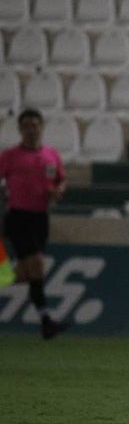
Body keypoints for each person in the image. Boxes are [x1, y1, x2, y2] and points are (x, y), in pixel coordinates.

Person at [0, 109, 66, 338]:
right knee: (37, 265)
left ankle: (47, 323)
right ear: (20, 129)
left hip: (40, 218)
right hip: (18, 217)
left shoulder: (51, 154)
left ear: (41, 127)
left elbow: (60, 180)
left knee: (26, 274)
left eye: (35, 125)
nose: (31, 130)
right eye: (26, 126)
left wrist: (58, 191)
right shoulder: (10, 156)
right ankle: (47, 321)